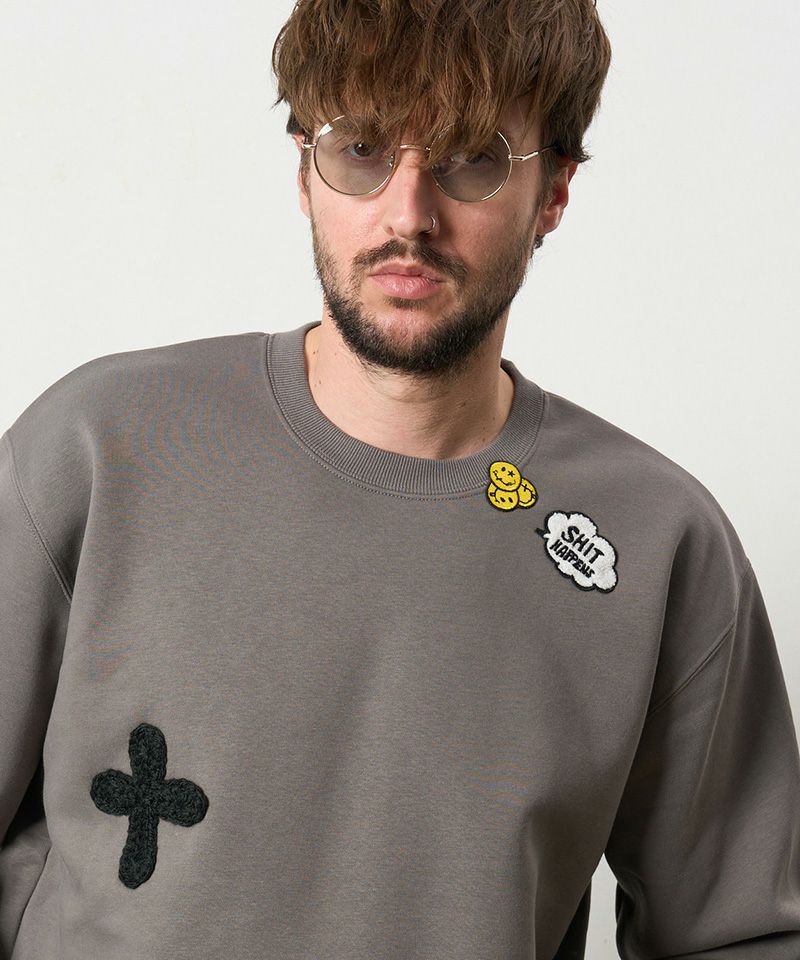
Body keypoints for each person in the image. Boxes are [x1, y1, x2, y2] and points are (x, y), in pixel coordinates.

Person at [1, 1, 798, 957]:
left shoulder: (658, 541)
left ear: (553, 191)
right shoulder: (99, 447)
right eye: (362, 150)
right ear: (304, 169)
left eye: (472, 159)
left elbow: (741, 932)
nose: (408, 215)